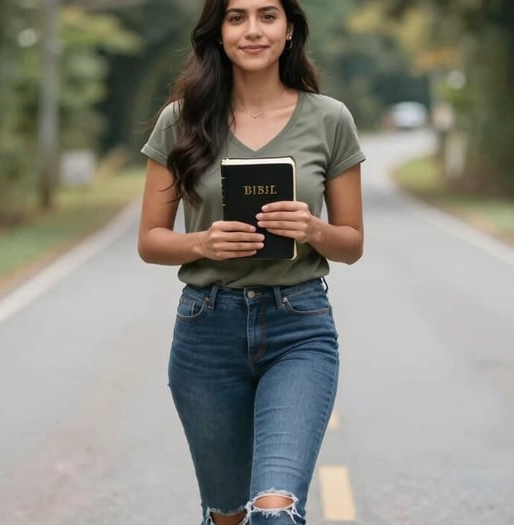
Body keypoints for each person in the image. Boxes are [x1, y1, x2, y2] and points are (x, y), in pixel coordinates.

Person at [138, 0, 365, 523]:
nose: (253, 30)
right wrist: (203, 244)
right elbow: (150, 240)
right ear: (218, 33)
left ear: (290, 31)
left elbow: (351, 244)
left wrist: (313, 229)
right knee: (228, 514)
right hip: (206, 332)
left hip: (298, 329)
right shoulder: (181, 121)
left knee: (274, 510)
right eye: (236, 17)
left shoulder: (330, 119)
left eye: (268, 15)